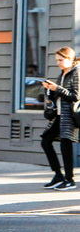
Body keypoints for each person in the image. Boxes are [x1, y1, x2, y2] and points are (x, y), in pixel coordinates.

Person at [40, 47, 80, 191]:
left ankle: (69, 180)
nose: (58, 63)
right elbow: (59, 95)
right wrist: (50, 90)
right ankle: (58, 175)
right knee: (46, 141)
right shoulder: (63, 73)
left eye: (61, 60)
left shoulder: (76, 72)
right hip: (59, 115)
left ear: (70, 59)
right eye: (57, 60)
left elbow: (76, 96)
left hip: (69, 115)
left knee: (66, 145)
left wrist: (57, 88)